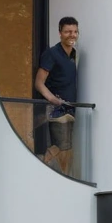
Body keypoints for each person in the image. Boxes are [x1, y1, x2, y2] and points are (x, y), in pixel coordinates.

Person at [34, 17, 79, 174]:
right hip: (56, 111)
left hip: (70, 111)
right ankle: (43, 166)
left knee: (66, 150)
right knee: (61, 148)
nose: (72, 35)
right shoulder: (52, 53)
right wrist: (54, 100)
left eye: (74, 32)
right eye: (67, 31)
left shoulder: (74, 55)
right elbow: (39, 83)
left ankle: (60, 176)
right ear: (60, 33)